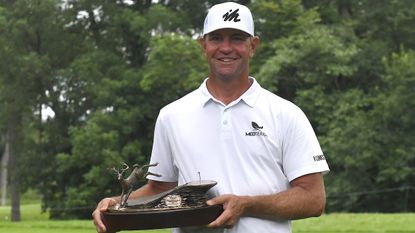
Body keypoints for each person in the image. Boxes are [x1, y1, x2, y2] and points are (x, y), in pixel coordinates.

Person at [92, 2, 329, 233]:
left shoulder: (286, 114)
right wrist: (116, 206)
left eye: (237, 38)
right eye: (216, 38)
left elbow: (313, 199)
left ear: (253, 46)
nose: (226, 48)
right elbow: (161, 189)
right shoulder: (172, 115)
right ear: (203, 45)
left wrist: (246, 205)